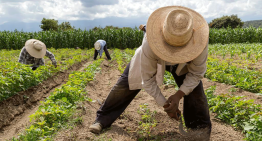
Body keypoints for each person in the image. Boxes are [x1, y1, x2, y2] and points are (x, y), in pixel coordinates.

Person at [89, 6, 211, 139]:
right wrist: (165, 104)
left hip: (184, 64)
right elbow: (146, 80)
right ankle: (102, 119)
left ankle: (199, 128)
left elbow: (196, 73)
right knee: (125, 84)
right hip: (155, 58)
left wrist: (178, 95)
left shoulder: (200, 42)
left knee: (195, 91)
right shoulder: (150, 42)